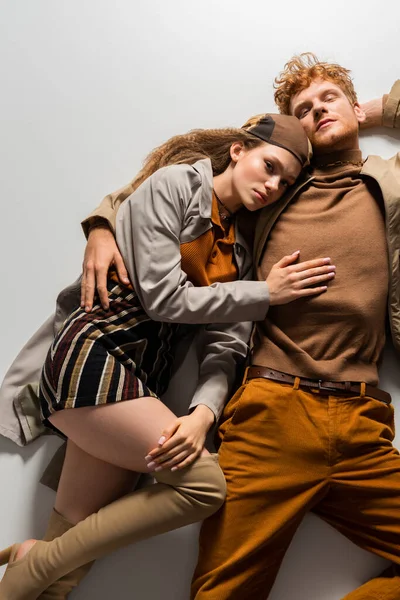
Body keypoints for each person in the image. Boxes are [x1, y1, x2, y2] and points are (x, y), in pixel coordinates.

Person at [65, 54, 400, 599]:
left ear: (351, 103)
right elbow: (177, 179)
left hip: (364, 419)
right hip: (271, 411)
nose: (317, 111)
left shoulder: (388, 182)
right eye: (304, 109)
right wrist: (103, 222)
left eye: (329, 99)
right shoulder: (275, 184)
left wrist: (382, 109)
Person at [0, 113, 335, 599]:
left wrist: (203, 413)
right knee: (204, 487)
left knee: (67, 565)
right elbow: (162, 298)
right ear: (239, 150)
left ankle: (33, 567)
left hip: (139, 380)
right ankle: (34, 562)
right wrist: (265, 293)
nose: (272, 184)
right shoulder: (176, 185)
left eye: (283, 182)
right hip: (93, 354)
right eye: (268, 166)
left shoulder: (239, 255)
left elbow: (226, 348)